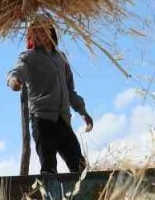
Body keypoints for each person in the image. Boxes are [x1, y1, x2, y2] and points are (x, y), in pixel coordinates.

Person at [7, 19, 95, 174]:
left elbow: (70, 90)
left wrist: (83, 112)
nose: (39, 34)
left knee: (79, 166)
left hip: (62, 120)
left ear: (51, 32)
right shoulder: (29, 57)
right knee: (48, 167)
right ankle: (50, 196)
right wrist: (13, 81)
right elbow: (15, 72)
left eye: (43, 30)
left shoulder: (61, 58)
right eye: (35, 32)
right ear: (30, 36)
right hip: (42, 120)